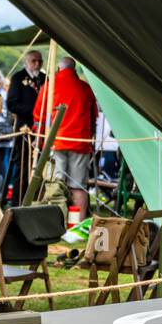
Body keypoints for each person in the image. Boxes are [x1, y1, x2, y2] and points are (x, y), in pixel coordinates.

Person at [31, 56, 98, 219]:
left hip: (56, 142)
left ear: (59, 69)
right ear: (74, 70)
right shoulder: (85, 88)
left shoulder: (49, 86)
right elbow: (94, 116)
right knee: (78, 187)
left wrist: (38, 141)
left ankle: (54, 223)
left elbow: (37, 116)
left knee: (55, 185)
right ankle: (76, 225)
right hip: (80, 143)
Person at [5, 50, 46, 201]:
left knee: (41, 168)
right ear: (27, 61)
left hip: (42, 129)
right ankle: (18, 202)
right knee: (23, 167)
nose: (37, 64)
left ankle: (37, 199)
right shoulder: (18, 78)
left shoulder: (44, 78)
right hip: (25, 129)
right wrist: (34, 112)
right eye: (34, 61)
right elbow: (11, 104)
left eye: (40, 61)